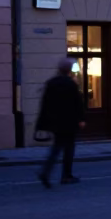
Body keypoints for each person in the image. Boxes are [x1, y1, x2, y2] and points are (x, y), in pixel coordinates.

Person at [37, 57, 85, 188]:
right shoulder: (71, 84)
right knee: (69, 149)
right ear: (69, 70)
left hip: (56, 122)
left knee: (56, 148)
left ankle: (46, 172)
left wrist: (42, 123)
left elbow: (45, 104)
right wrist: (81, 119)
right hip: (69, 122)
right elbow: (78, 103)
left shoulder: (51, 83)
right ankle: (66, 175)